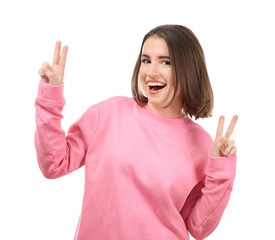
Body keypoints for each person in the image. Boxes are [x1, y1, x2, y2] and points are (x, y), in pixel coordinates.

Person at [35, 24, 238, 240]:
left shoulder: (201, 143)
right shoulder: (108, 113)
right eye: (146, 60)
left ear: (187, 69)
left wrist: (221, 172)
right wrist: (50, 97)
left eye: (166, 62)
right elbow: (54, 164)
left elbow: (198, 227)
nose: (151, 72)